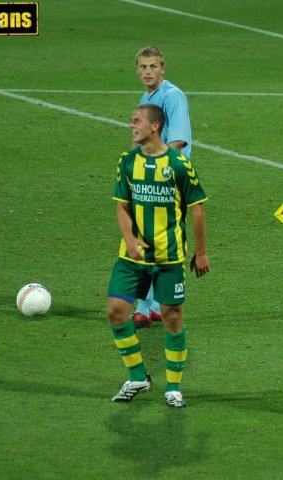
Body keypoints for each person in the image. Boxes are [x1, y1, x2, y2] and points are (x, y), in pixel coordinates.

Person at [106, 104, 208, 408]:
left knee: (172, 318)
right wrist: (131, 239)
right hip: (132, 258)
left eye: (137, 121)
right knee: (115, 311)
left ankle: (173, 388)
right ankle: (137, 376)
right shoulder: (127, 161)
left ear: (156, 126)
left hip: (169, 258)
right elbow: (122, 206)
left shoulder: (178, 164)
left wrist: (201, 253)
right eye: (131, 121)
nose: (132, 126)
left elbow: (197, 209)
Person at [132, 46, 193, 329]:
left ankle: (144, 308)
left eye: (153, 67)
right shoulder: (147, 98)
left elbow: (178, 141)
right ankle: (153, 306)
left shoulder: (172, 96)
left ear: (162, 68)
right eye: (143, 67)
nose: (148, 72)